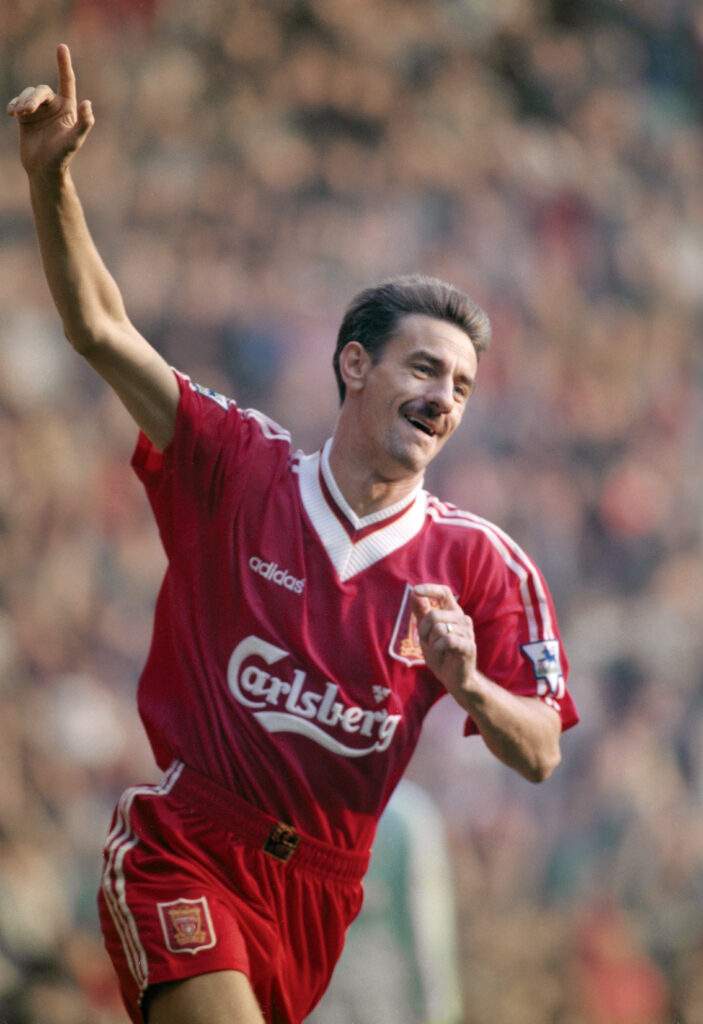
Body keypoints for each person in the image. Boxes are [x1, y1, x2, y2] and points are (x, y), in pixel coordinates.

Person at [8, 45, 578, 1024]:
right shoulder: (238, 463)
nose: (443, 398)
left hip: (319, 896)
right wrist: (50, 175)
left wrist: (468, 683)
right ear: (353, 365)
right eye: (423, 368)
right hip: (188, 844)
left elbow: (538, 751)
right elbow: (100, 329)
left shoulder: (483, 563)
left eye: (461, 386)